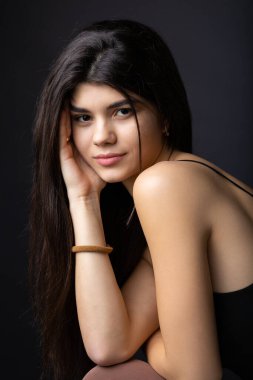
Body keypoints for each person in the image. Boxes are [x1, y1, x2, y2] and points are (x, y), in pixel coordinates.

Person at [29, 19, 253, 380]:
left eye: (122, 111)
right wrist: (82, 198)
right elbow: (108, 345)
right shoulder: (178, 182)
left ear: (163, 116)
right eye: (83, 118)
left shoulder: (165, 186)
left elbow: (196, 374)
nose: (101, 137)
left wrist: (154, 344)